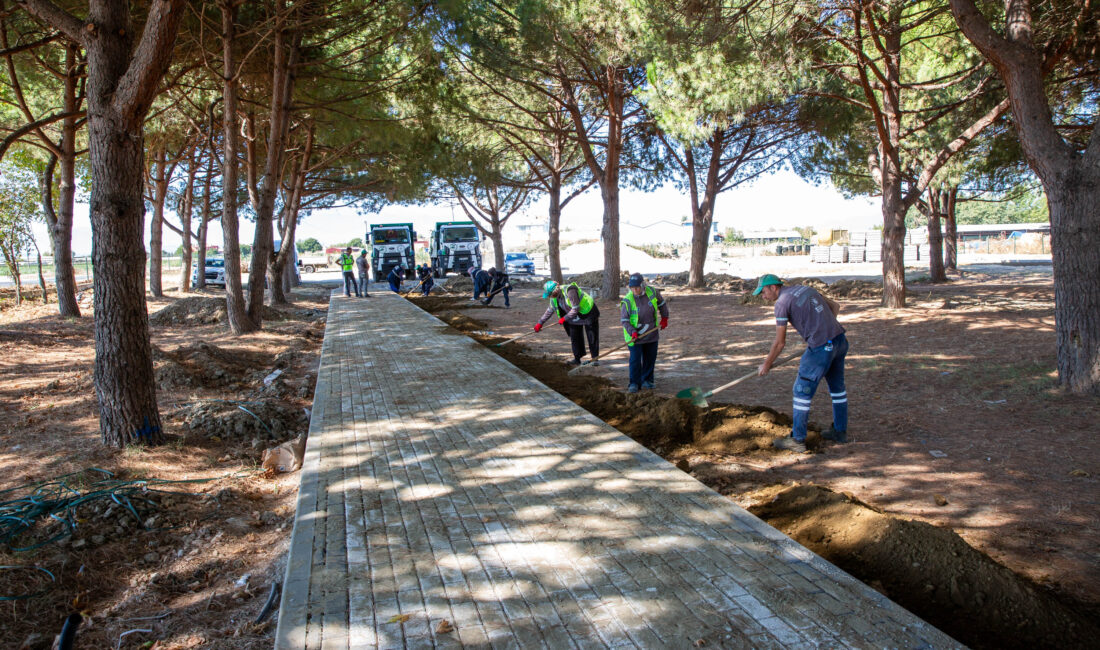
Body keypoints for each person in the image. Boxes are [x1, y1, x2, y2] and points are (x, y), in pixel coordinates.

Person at [754, 273, 848, 453]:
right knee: (837, 389)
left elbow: (780, 343)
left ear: (774, 287)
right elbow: (835, 306)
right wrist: (824, 330)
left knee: (801, 391)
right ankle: (839, 431)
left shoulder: (781, 303)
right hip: (839, 340)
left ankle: (797, 439)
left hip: (822, 347)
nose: (763, 297)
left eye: (764, 292)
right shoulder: (805, 289)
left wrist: (766, 364)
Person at [620, 273, 669, 393]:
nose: (635, 290)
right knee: (635, 360)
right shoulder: (628, 300)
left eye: (637, 287)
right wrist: (633, 332)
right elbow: (625, 321)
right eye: (632, 288)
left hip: (651, 334)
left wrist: (664, 318)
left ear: (642, 285)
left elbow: (662, 304)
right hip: (635, 336)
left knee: (650, 358)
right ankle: (634, 383)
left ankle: (647, 380)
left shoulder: (652, 292)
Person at [534, 280, 600, 365]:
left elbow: (575, 308)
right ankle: (577, 358)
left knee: (592, 336)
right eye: (549, 295)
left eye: (551, 294)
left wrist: (564, 318)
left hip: (588, 311)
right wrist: (540, 323)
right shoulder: (553, 298)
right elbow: (549, 311)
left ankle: (595, 359)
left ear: (556, 290)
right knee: (575, 337)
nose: (550, 296)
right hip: (572, 315)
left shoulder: (570, 291)